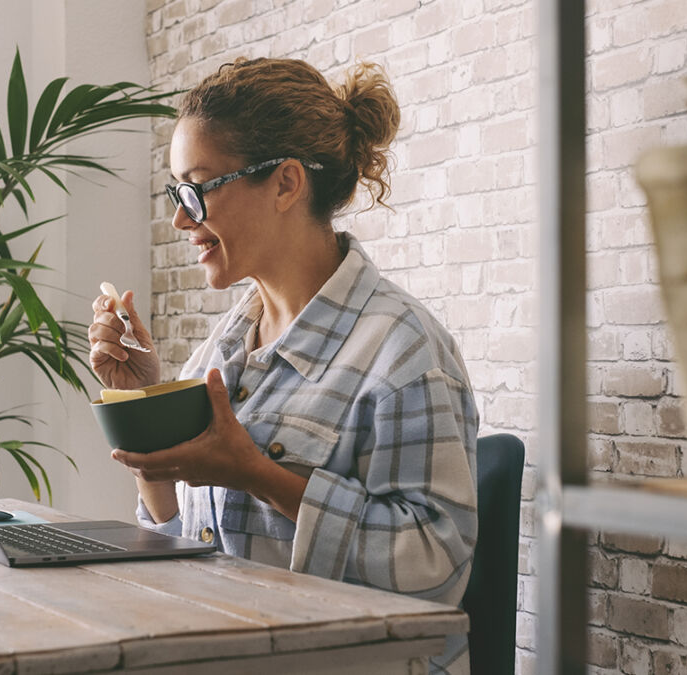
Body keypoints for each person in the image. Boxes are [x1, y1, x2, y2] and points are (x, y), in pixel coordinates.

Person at [89, 58, 478, 675]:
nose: (181, 219)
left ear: (285, 184)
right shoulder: (222, 347)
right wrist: (148, 408)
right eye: (175, 192)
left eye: (197, 188)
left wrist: (259, 475)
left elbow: (435, 569)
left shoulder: (405, 355)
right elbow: (178, 545)